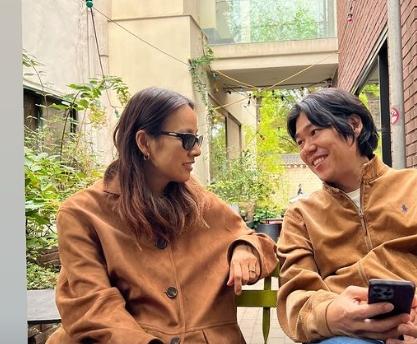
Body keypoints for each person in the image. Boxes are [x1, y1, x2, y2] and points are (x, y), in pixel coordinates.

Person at [47, 86, 278, 344]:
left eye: (197, 139)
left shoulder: (201, 204)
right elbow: (93, 307)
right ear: (144, 142)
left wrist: (245, 247)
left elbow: (259, 241)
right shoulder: (82, 213)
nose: (196, 150)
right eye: (186, 139)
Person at [276, 87, 417, 344]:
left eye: (314, 132)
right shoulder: (301, 216)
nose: (307, 149)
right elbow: (295, 293)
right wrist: (329, 314)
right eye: (300, 142)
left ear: (354, 125)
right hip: (346, 336)